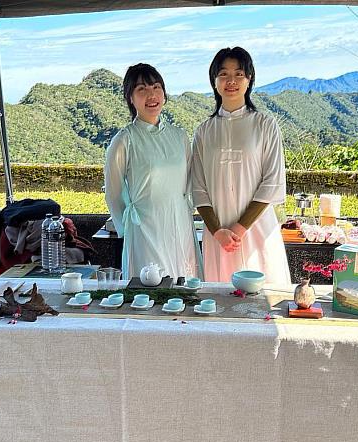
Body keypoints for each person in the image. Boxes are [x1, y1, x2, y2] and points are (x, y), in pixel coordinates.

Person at [190, 47, 290, 285]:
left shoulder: (265, 124)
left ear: (249, 80)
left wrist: (239, 228)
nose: (231, 81)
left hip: (256, 230)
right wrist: (218, 232)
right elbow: (198, 187)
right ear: (214, 81)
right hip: (218, 234)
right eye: (223, 74)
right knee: (220, 298)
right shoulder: (204, 131)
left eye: (239, 74)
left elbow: (272, 182)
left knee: (264, 297)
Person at [104, 63, 199, 280]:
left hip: (180, 225)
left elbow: (189, 183)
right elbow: (114, 193)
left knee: (183, 290)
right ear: (130, 98)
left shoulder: (179, 137)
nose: (151, 95)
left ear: (164, 94)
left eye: (156, 87)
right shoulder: (124, 141)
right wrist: (129, 229)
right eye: (141, 89)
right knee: (150, 292)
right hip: (145, 230)